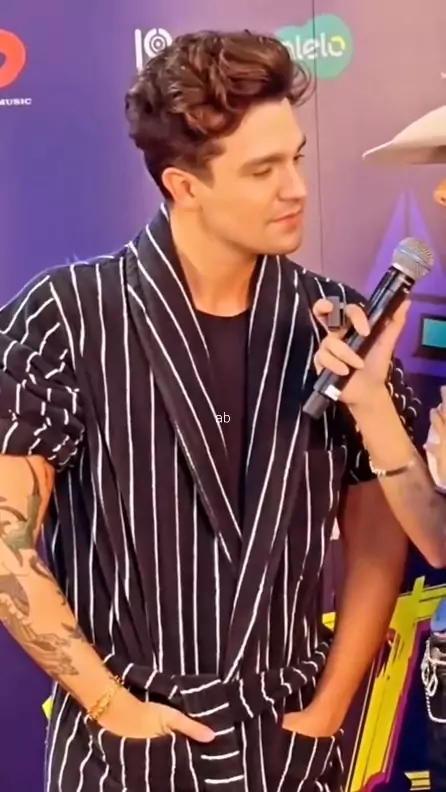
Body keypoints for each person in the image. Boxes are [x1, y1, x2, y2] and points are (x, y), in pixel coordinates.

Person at [1, 30, 446, 792]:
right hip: (125, 753)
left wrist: (332, 705)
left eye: (295, 159)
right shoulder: (68, 318)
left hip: (292, 745)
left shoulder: (335, 323)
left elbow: (384, 534)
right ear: (184, 185)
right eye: (262, 170)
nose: (295, 188)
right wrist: (110, 705)